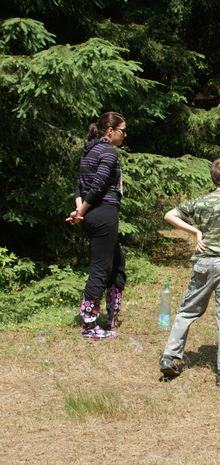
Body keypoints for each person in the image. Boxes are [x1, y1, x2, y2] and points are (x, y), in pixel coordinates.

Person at [159, 158, 220, 386]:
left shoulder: (200, 201)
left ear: (213, 179)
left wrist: (195, 232)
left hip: (202, 263)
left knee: (187, 311)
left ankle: (169, 356)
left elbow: (169, 215)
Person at [66, 112, 127, 340]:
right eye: (122, 130)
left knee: (117, 261)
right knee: (101, 268)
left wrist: (79, 210)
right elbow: (98, 185)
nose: (125, 135)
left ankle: (112, 315)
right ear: (110, 131)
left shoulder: (89, 150)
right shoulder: (108, 152)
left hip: (91, 214)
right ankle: (89, 326)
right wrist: (80, 212)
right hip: (103, 214)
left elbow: (80, 185)